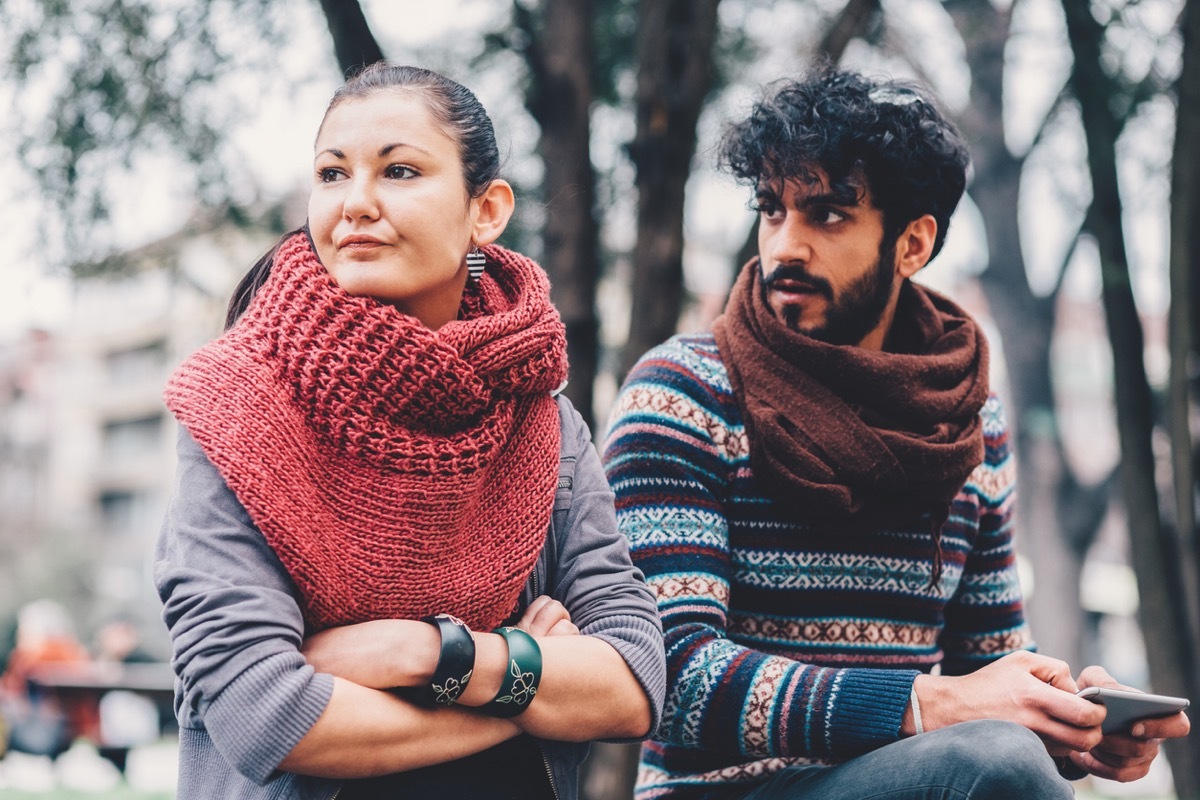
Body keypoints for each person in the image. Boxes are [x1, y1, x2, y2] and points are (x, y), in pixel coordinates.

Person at [602, 65, 1190, 800]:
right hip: (718, 789)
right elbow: (667, 672)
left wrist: (1071, 725)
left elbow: (989, 664)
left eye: (828, 216)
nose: (786, 246)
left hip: (914, 779)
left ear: (912, 245)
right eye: (773, 211)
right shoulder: (687, 391)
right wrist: (926, 704)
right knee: (995, 763)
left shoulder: (967, 421)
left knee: (1007, 759)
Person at [155, 62, 665, 799]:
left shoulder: (540, 420)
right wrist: (530, 693)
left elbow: (634, 681)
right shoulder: (234, 410)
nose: (355, 203)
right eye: (332, 174)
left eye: (398, 170)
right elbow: (265, 715)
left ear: (485, 211)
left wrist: (419, 650)